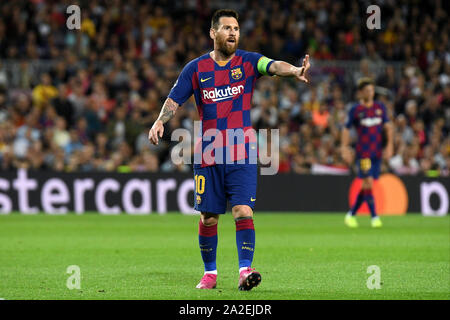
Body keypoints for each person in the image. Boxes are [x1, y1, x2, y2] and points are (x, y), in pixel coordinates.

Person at [148, 9, 310, 291]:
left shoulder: (248, 61)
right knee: (208, 217)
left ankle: (245, 271)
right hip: (208, 153)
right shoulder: (196, 68)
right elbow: (174, 99)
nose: (233, 32)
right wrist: (159, 122)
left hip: (242, 151)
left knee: (243, 210)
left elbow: (272, 66)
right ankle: (210, 274)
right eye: (226, 28)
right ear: (213, 33)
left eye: (235, 28)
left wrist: (294, 70)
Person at [341, 78, 393, 228]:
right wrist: (344, 148)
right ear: (361, 92)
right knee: (368, 181)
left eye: (371, 90)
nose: (370, 93)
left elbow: (388, 127)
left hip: (377, 153)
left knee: (367, 185)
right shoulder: (356, 110)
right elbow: (346, 128)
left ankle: (351, 214)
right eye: (367, 90)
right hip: (363, 153)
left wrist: (389, 146)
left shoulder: (380, 107)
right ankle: (374, 217)